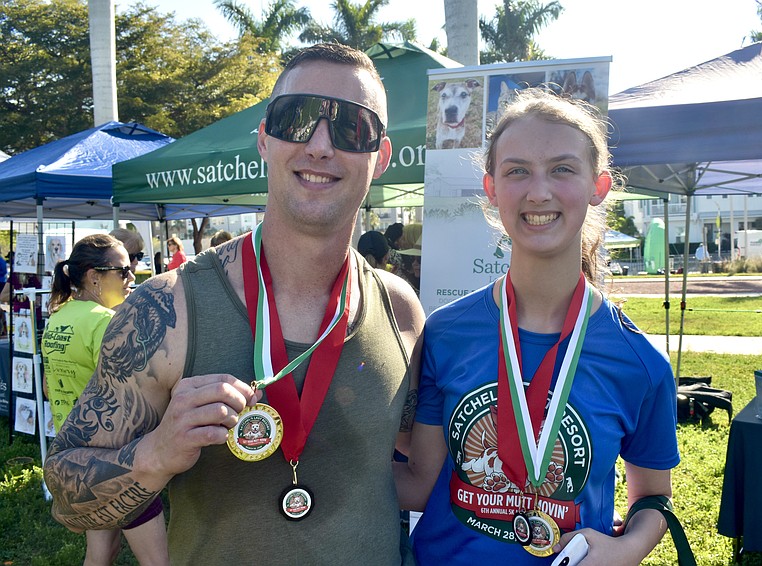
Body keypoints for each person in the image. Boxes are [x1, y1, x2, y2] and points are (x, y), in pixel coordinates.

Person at [44, 43, 424, 564]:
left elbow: (422, 472)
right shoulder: (169, 309)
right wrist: (154, 455)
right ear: (265, 139)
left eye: (351, 127)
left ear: (379, 157)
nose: (318, 145)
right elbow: (66, 497)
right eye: (297, 118)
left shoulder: (400, 310)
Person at [394, 89, 679, 564]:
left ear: (599, 186)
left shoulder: (641, 364)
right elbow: (421, 481)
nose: (539, 191)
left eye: (562, 169)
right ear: (491, 188)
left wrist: (627, 548)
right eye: (517, 171)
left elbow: (653, 499)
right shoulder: (445, 333)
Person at [41, 233, 169, 566]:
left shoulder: (58, 318)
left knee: (101, 553)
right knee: (160, 560)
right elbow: (134, 396)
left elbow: (46, 387)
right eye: (122, 271)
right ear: (94, 277)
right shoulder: (107, 322)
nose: (132, 278)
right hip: (118, 461)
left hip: (79, 461)